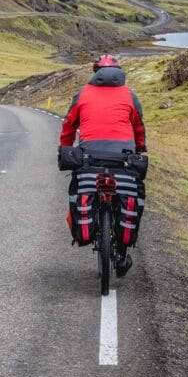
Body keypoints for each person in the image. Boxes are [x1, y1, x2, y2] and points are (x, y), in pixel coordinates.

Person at [59, 54, 147, 277]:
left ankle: (91, 229)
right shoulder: (130, 95)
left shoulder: (83, 93)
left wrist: (65, 147)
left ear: (95, 72)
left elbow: (69, 124)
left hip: (90, 157)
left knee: (81, 188)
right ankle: (121, 254)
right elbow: (138, 126)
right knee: (127, 195)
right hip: (123, 157)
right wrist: (140, 148)